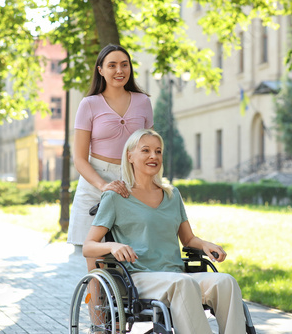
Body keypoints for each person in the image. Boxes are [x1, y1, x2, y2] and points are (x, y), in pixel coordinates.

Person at [83, 129, 246, 334]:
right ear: (130, 156)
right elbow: (88, 246)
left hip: (175, 276)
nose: (154, 156)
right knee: (182, 283)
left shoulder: (172, 195)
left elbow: (188, 238)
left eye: (158, 151)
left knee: (226, 282)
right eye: (146, 150)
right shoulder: (116, 196)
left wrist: (204, 245)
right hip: (140, 277)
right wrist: (113, 245)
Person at [67, 44, 153, 270]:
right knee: (96, 260)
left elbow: (150, 147)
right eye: (112, 65)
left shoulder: (143, 102)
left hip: (132, 181)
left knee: (132, 253)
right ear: (100, 70)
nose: (119, 70)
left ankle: (127, 304)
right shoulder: (89, 104)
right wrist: (104, 185)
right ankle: (96, 306)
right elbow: (79, 159)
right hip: (95, 181)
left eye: (124, 65)